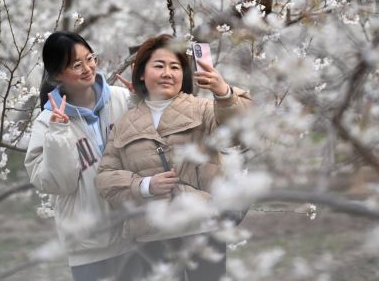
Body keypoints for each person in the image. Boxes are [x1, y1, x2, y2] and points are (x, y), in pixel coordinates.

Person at [95, 34, 252, 280]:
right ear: (142, 74)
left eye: (175, 67)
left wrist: (224, 93)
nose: (168, 73)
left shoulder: (204, 109)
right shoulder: (125, 124)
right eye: (159, 66)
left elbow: (240, 134)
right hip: (152, 232)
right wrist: (146, 185)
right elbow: (105, 178)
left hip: (203, 224)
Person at [25, 31, 141, 281]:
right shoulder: (47, 122)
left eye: (90, 58)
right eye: (76, 65)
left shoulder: (122, 99)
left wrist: (140, 105)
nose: (88, 68)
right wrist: (58, 133)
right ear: (57, 75)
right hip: (89, 245)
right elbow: (59, 183)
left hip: (133, 233)